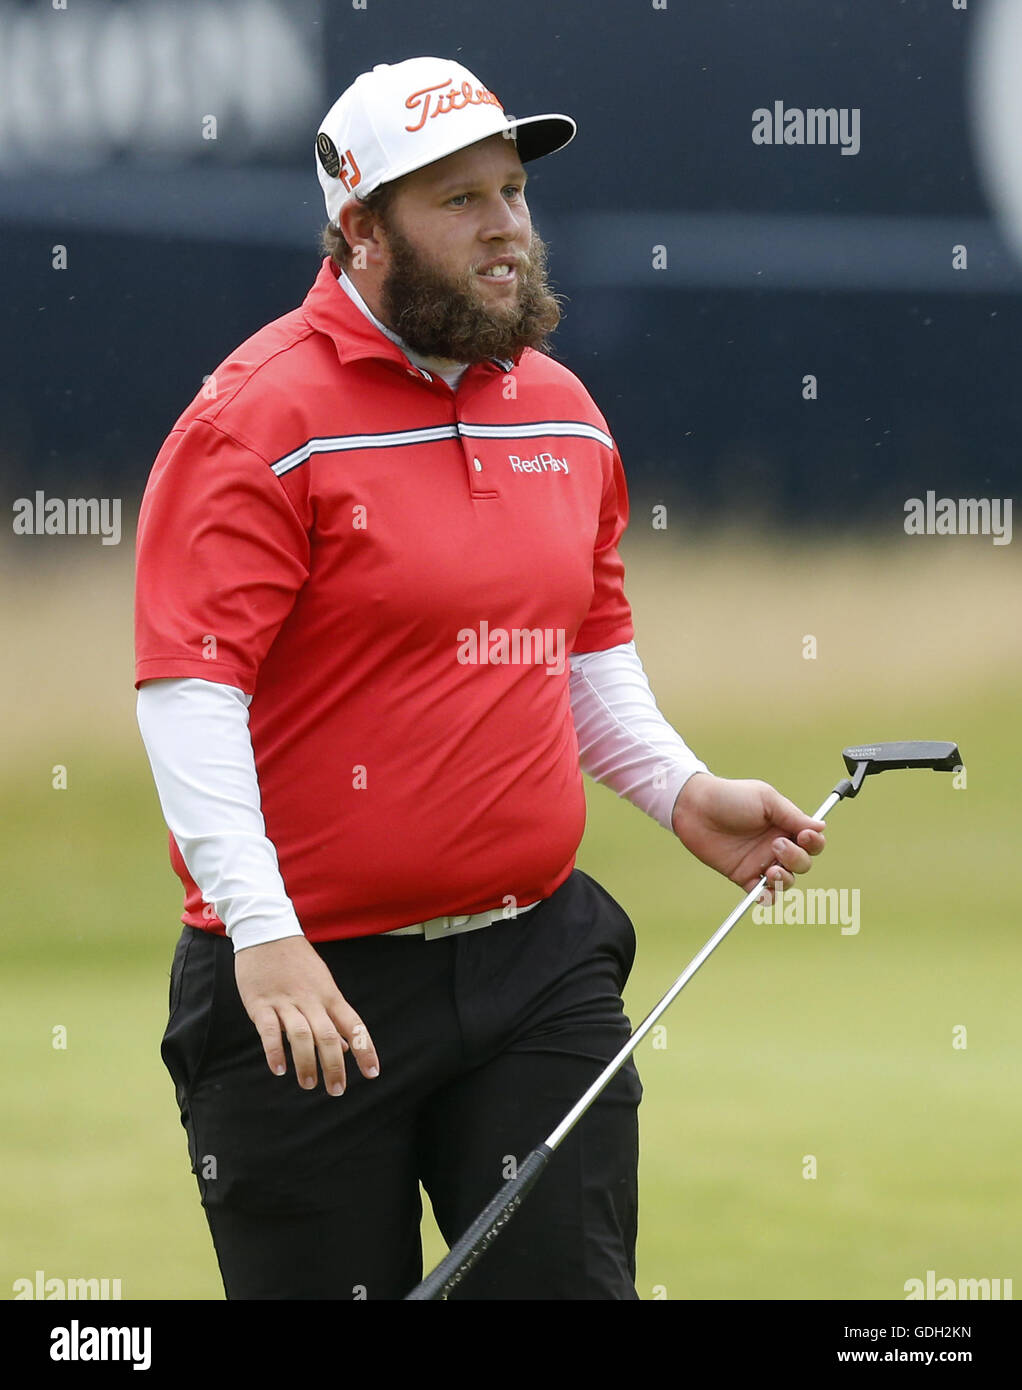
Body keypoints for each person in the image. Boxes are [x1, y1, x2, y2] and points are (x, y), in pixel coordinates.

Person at [134, 56, 826, 1301]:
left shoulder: (560, 411)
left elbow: (581, 647)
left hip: (534, 969)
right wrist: (265, 933)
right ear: (359, 230)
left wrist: (675, 788)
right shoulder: (255, 421)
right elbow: (193, 696)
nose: (505, 224)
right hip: (309, 992)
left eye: (511, 190)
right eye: (456, 200)